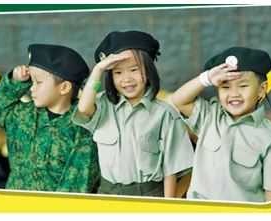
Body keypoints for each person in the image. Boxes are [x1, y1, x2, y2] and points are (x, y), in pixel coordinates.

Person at [74, 31, 194, 197]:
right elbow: (83, 109)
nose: (127, 79)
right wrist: (98, 70)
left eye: (134, 70)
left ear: (149, 70)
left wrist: (168, 207)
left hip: (149, 195)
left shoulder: (164, 114)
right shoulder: (103, 106)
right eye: (118, 72)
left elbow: (171, 170)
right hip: (107, 194)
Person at [170, 47, 271, 203]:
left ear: (262, 90)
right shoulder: (209, 116)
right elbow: (178, 100)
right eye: (225, 87)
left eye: (243, 86)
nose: (234, 94)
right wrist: (206, 78)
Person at [0, 44, 100, 193]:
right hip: (13, 205)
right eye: (30, 82)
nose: (31, 88)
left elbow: (80, 180)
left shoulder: (81, 127)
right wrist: (16, 82)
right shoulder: (23, 115)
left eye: (38, 82)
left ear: (64, 87)